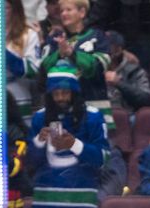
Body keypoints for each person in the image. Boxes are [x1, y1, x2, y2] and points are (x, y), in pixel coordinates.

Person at [28, 63, 109, 208]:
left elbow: (103, 159)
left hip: (83, 200)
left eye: (65, 92)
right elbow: (30, 162)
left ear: (74, 92)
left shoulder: (93, 116)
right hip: (45, 201)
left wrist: (74, 144)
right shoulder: (39, 118)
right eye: (55, 93)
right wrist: (39, 142)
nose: (60, 98)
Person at [40, 0, 111, 128]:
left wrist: (71, 53)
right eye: (62, 11)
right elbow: (43, 69)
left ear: (82, 12)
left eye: (68, 10)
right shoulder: (54, 39)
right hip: (60, 109)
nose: (64, 14)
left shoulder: (97, 37)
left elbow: (97, 67)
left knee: (94, 146)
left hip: (93, 104)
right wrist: (59, 54)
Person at [104, 30, 150, 114]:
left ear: (118, 50)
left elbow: (147, 100)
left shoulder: (134, 71)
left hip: (127, 116)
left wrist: (119, 83)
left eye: (106, 45)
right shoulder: (92, 70)